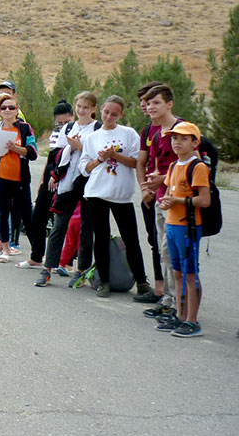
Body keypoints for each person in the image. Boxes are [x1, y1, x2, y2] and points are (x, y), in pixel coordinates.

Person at [79, 95, 153, 299]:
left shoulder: (129, 134)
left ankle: (141, 281)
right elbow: (84, 168)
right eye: (106, 112)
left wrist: (115, 155)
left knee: (130, 239)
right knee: (100, 238)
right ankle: (103, 281)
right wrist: (99, 159)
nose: (109, 116)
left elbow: (137, 162)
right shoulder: (92, 138)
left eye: (114, 113)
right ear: (100, 110)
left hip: (121, 195)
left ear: (121, 115)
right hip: (97, 193)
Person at [35, 91, 99, 288]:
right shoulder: (69, 127)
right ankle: (47, 269)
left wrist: (80, 146)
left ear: (93, 109)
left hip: (88, 182)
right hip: (68, 182)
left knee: (86, 228)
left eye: (86, 108)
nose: (82, 111)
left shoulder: (97, 129)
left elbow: (98, 155)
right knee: (59, 226)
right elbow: (58, 154)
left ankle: (81, 270)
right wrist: (55, 174)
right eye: (79, 107)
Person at [157, 122, 211, 337]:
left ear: (195, 142)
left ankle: (192, 320)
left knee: (190, 274)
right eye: (174, 138)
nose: (177, 142)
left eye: (184, 138)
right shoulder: (173, 166)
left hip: (187, 226)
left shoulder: (197, 166)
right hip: (172, 224)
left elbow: (204, 200)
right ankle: (180, 315)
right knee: (177, 272)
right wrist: (166, 203)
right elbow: (170, 193)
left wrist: (176, 201)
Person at [137, 83, 182, 312]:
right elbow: (148, 166)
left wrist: (162, 179)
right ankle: (168, 300)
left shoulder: (183, 130)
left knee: (178, 256)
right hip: (160, 199)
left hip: (179, 202)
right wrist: (150, 188)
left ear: (169, 104)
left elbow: (193, 167)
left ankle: (180, 308)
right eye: (148, 103)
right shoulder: (154, 135)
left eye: (156, 103)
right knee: (164, 252)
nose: (150, 107)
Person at [0, 92, 38, 261]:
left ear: (17, 110)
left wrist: (17, 149)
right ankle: (5, 249)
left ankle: (36, 254)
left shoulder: (24, 128)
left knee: (26, 215)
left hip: (20, 178)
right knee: (2, 212)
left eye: (11, 107)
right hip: (0, 177)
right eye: (4, 108)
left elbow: (33, 151)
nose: (7, 110)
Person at [24, 99, 74, 268]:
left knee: (64, 223)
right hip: (49, 177)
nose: (62, 126)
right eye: (59, 123)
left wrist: (59, 177)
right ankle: (36, 256)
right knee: (38, 217)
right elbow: (52, 157)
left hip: (65, 178)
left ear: (72, 117)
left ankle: (66, 261)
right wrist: (42, 181)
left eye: (66, 122)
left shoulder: (76, 132)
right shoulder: (55, 134)